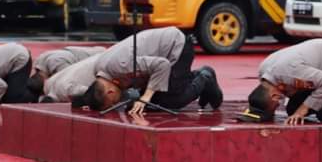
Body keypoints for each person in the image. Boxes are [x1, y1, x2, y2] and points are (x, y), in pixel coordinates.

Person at [80, 26, 222, 114]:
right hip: (159, 58)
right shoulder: (104, 71)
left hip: (177, 46)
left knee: (173, 101)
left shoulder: (120, 66)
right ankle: (190, 79)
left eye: (112, 103)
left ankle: (205, 76)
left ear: (110, 92)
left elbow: (162, 65)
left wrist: (145, 98)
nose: (116, 104)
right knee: (157, 102)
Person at [27, 46, 106, 96]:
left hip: (100, 56)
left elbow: (70, 80)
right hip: (93, 53)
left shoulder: (57, 63)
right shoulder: (39, 61)